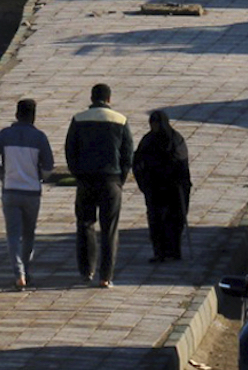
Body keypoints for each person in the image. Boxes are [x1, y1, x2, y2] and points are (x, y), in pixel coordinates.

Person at [65, 84, 136, 288]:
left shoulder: (78, 119)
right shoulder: (120, 120)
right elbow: (127, 154)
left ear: (92, 98)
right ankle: (106, 276)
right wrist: (120, 180)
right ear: (109, 99)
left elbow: (70, 151)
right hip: (111, 180)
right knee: (109, 229)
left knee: (85, 224)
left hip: (86, 180)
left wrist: (78, 174)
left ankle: (87, 270)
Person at [0, 97, 56, 290]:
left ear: (16, 114)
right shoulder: (40, 137)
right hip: (32, 192)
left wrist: (2, 175)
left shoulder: (4, 135)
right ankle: (26, 267)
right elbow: (49, 166)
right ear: (33, 116)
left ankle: (19, 273)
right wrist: (39, 177)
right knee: (28, 233)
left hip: (10, 190)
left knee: (13, 234)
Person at [132, 109, 192, 262]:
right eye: (152, 124)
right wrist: (144, 182)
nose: (154, 127)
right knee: (156, 220)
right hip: (155, 187)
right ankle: (159, 252)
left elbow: (181, 162)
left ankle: (174, 251)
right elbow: (138, 161)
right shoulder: (147, 140)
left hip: (174, 187)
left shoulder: (175, 139)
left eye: (157, 124)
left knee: (175, 219)